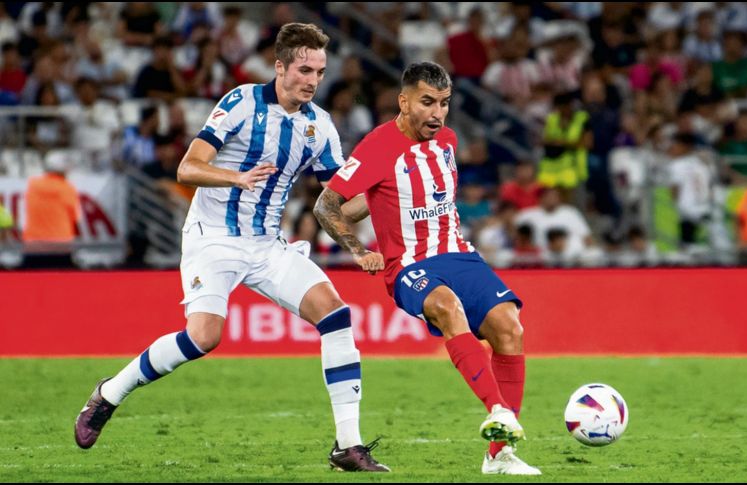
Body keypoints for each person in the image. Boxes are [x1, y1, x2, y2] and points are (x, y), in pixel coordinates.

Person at [74, 23, 388, 473]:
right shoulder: (241, 102)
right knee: (204, 337)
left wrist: (381, 192)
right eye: (303, 69)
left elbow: (334, 206)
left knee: (336, 316)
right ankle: (109, 393)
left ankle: (348, 446)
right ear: (279, 67)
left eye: (319, 71)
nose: (312, 80)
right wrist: (236, 177)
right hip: (214, 237)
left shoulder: (320, 126)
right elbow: (188, 168)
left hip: (266, 245)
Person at [313, 61, 540, 476]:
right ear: (403, 102)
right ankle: (499, 411)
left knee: (510, 327)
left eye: (445, 103)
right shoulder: (378, 145)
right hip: (409, 265)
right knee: (448, 308)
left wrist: (377, 198)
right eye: (427, 102)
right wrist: (359, 248)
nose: (437, 113)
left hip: (457, 253)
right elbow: (326, 205)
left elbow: (387, 193)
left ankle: (499, 455)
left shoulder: (448, 141)